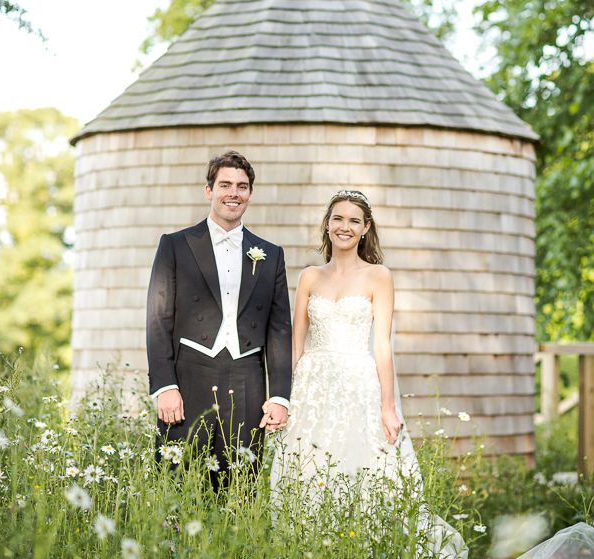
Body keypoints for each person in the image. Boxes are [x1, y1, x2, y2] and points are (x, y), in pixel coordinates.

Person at [270, 189, 468, 557]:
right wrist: (283, 396)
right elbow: (295, 344)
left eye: (353, 221)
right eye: (338, 219)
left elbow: (381, 346)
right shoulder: (309, 276)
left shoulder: (379, 276)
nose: (344, 227)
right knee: (308, 474)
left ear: (365, 229)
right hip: (311, 388)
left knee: (364, 475)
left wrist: (388, 407)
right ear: (327, 225)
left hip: (358, 384)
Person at [146, 151, 292, 488]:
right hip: (188, 379)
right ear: (209, 190)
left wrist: (280, 396)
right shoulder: (175, 245)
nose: (234, 193)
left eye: (242, 186)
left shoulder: (270, 254)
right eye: (225, 184)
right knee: (176, 487)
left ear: (250, 194)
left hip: (247, 383)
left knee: (240, 491)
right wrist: (165, 387)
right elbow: (158, 319)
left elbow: (279, 330)